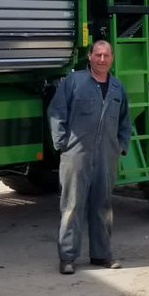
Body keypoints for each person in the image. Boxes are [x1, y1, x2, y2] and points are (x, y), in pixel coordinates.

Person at [48, 40, 132, 275]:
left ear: (112, 58)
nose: (102, 59)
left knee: (102, 205)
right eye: (98, 55)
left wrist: (120, 147)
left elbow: (125, 120)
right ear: (90, 56)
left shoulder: (117, 87)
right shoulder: (74, 82)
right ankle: (67, 257)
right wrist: (62, 143)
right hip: (76, 155)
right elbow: (56, 112)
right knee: (72, 206)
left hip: (106, 156)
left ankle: (101, 254)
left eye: (106, 55)